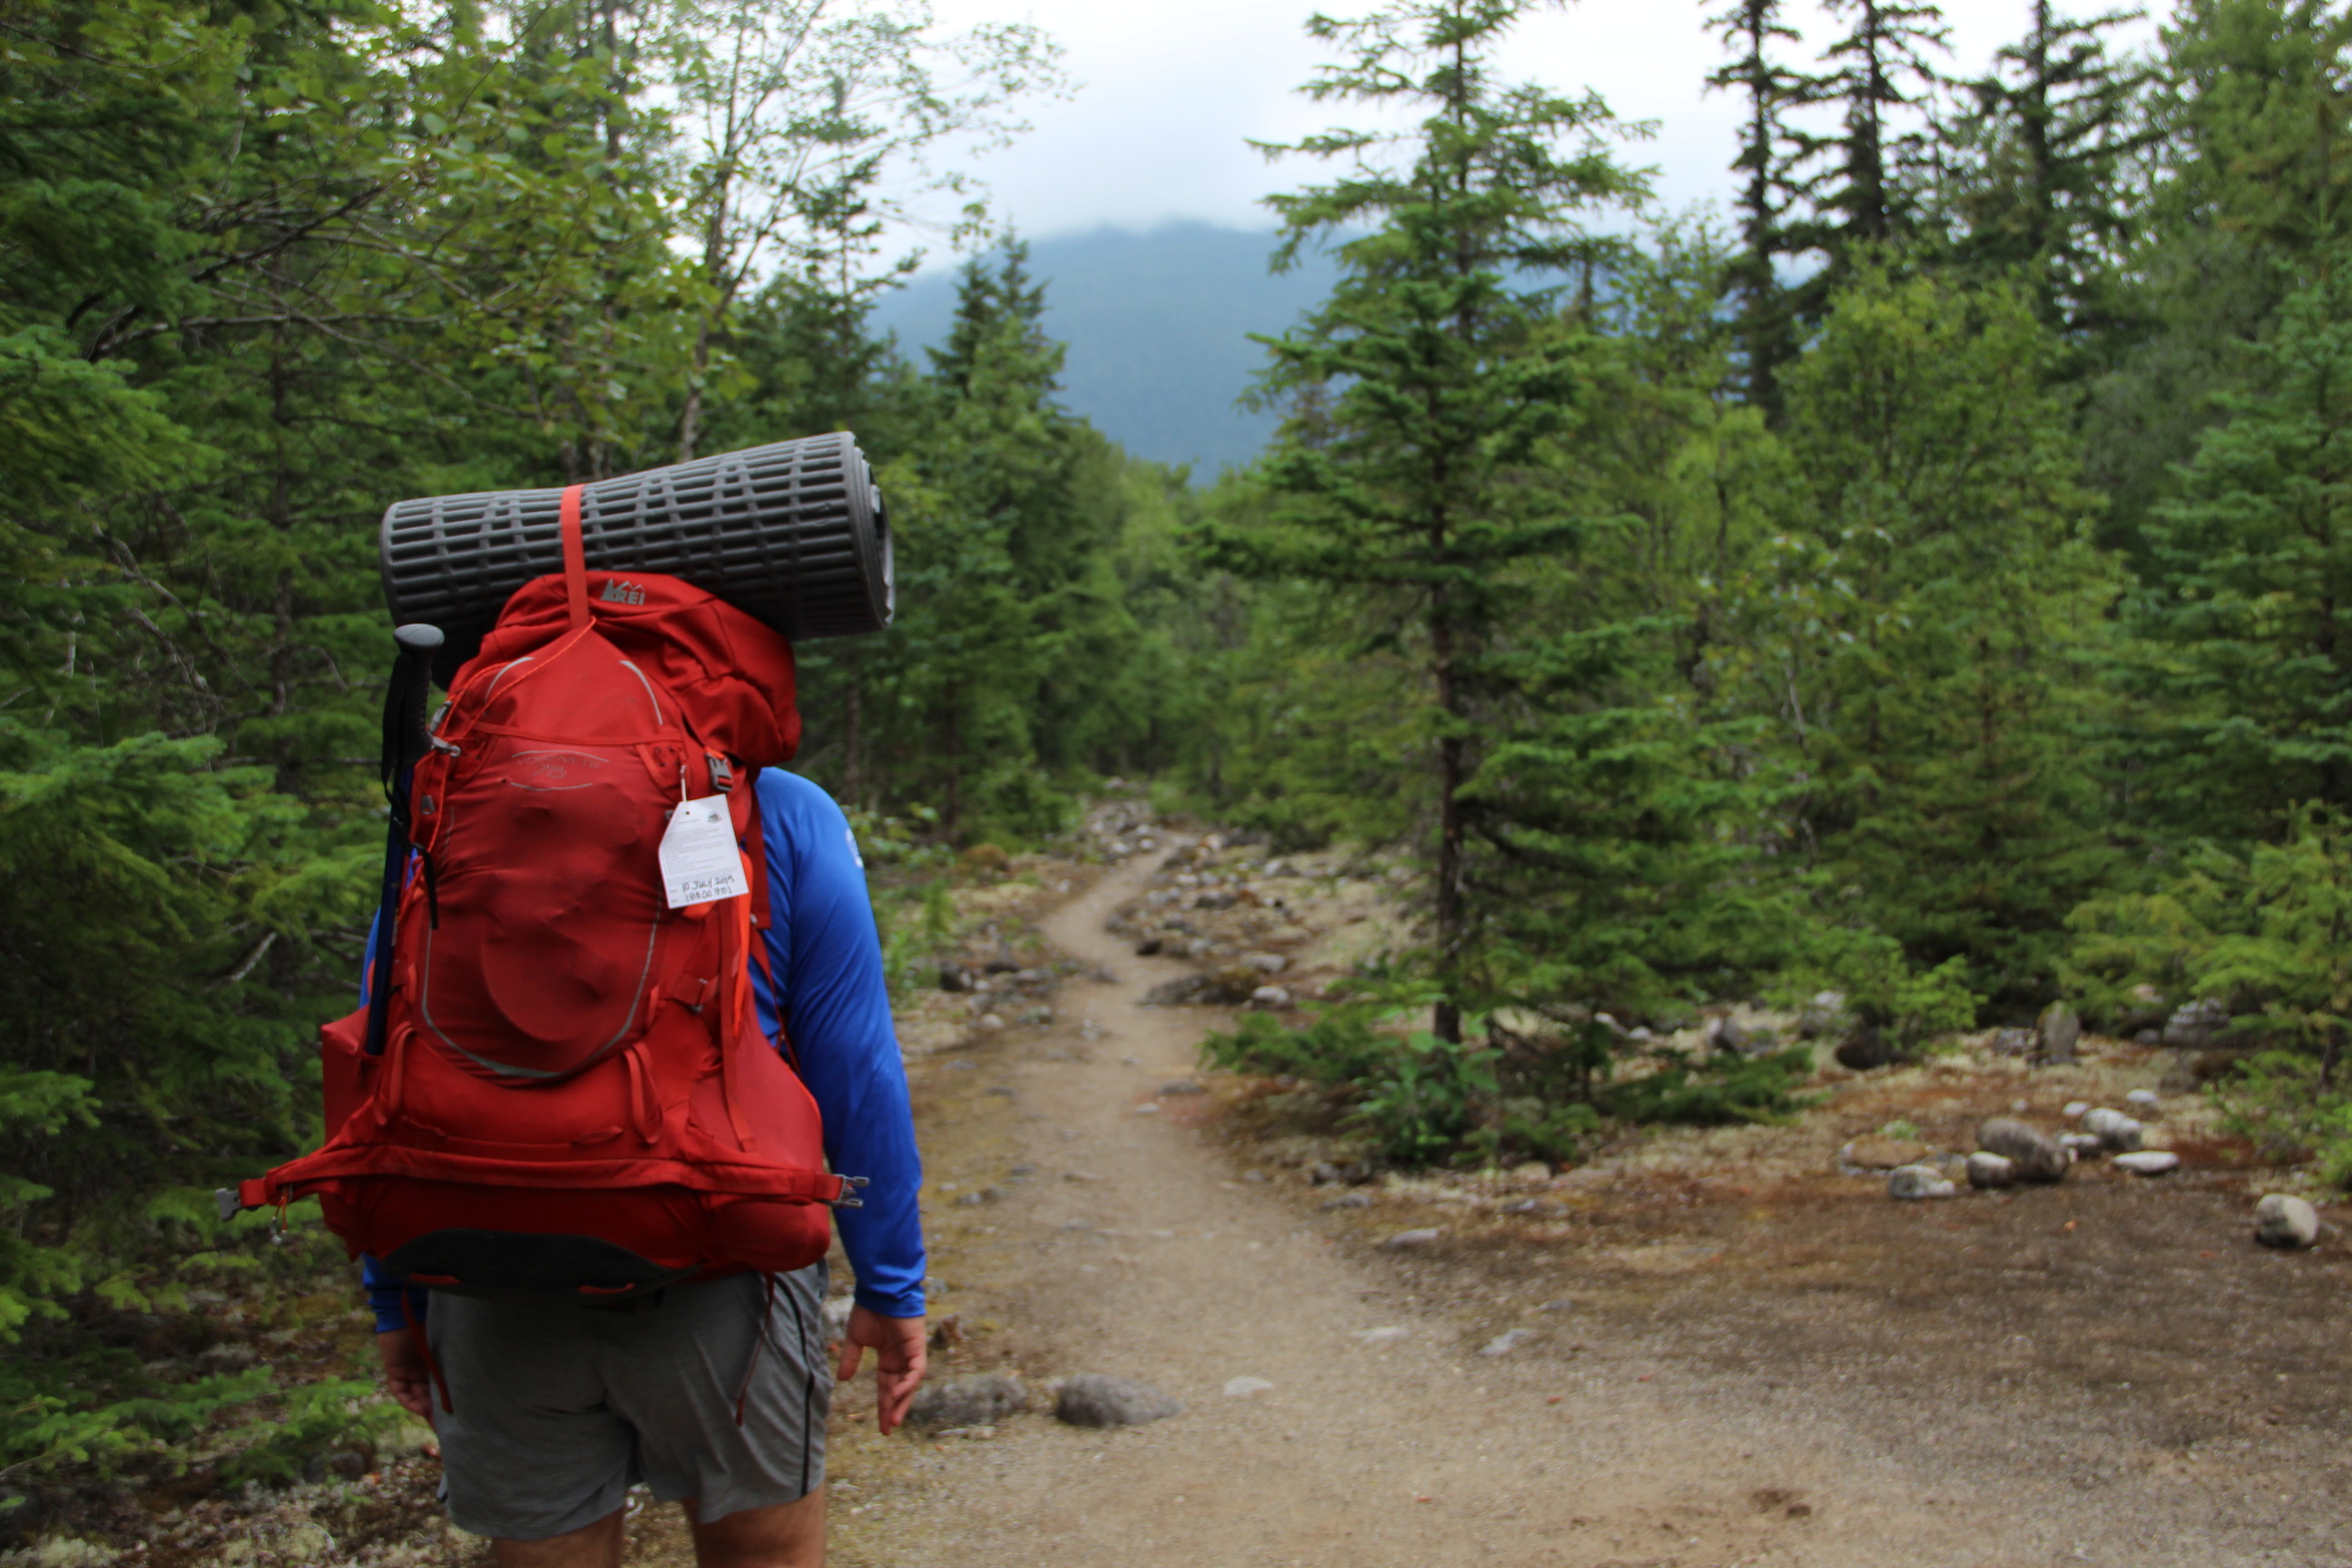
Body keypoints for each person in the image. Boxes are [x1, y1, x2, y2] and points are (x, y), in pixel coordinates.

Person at [363, 768, 926, 1568]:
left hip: (486, 1269)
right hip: (725, 1271)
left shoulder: (454, 800)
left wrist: (392, 1295)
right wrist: (891, 1284)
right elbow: (859, 1067)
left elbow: (381, 1062)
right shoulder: (779, 809)